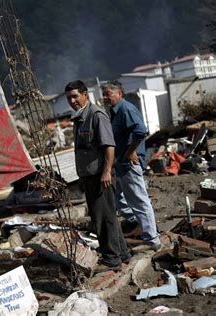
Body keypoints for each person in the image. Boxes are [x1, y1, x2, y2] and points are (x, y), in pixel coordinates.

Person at [65, 80, 130, 273]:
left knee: (103, 218)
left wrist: (106, 171)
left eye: (75, 96)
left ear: (85, 94)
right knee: (105, 215)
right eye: (69, 98)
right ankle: (122, 254)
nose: (72, 101)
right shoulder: (79, 118)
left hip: (101, 175)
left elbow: (108, 146)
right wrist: (83, 178)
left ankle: (111, 259)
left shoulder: (96, 115)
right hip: (90, 176)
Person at [101, 80, 161, 253]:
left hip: (129, 163)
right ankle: (137, 224)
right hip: (120, 163)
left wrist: (129, 151)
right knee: (119, 199)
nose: (105, 97)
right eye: (103, 94)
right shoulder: (113, 112)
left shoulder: (126, 109)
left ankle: (152, 239)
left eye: (108, 94)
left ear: (119, 93)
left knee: (139, 201)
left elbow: (141, 131)